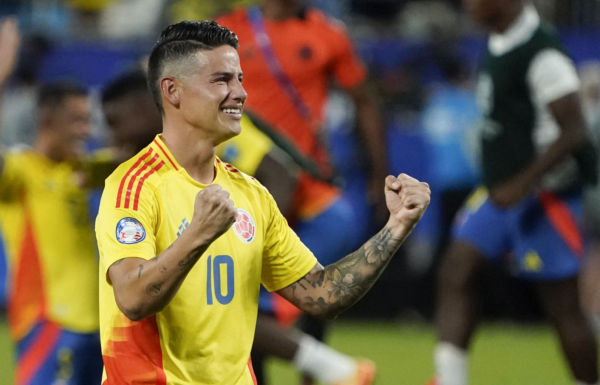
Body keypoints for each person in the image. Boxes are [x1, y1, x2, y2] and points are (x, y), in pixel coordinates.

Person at [95, 20, 430, 385]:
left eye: (239, 79)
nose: (240, 93)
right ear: (173, 91)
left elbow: (322, 295)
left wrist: (396, 227)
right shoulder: (134, 186)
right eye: (221, 80)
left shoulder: (251, 194)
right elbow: (132, 298)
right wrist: (198, 234)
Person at [215, 3, 388, 382]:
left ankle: (327, 371)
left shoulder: (327, 34)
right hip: (239, 187)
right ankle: (329, 371)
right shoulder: (224, 30)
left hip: (309, 191)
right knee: (251, 309)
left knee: (310, 301)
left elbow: (365, 100)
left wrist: (379, 173)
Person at [430, 1, 598, 385]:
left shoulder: (543, 54)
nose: (467, 4)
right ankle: (450, 379)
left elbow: (574, 131)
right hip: (499, 191)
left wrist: (523, 183)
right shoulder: (500, 38)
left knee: (563, 305)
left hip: (547, 194)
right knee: (457, 268)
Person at [0, 18, 108, 385]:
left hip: (99, 324)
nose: (86, 131)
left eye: (88, 121)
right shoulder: (20, 171)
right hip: (48, 322)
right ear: (47, 119)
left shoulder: (87, 168)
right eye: (76, 121)